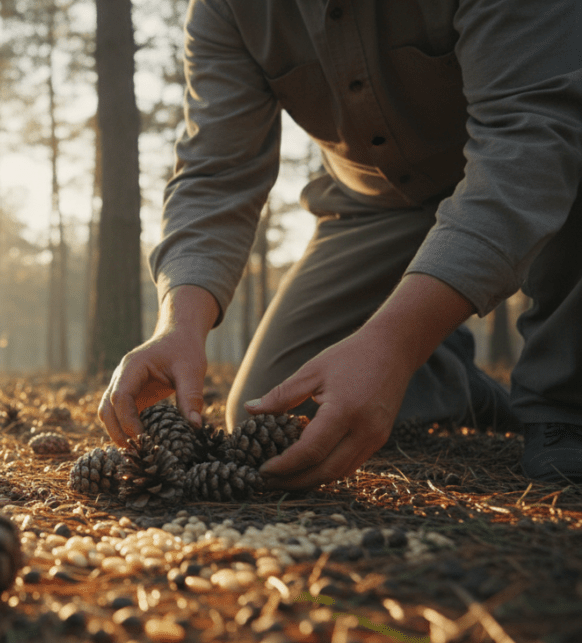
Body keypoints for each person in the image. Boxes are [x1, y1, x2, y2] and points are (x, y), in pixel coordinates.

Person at [98, 0, 582, 489]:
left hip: (543, 161)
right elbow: (217, 172)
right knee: (276, 405)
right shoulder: (225, 9)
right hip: (378, 200)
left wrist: (393, 345)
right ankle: (442, 375)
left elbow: (533, 142)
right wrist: (179, 324)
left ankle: (564, 400)